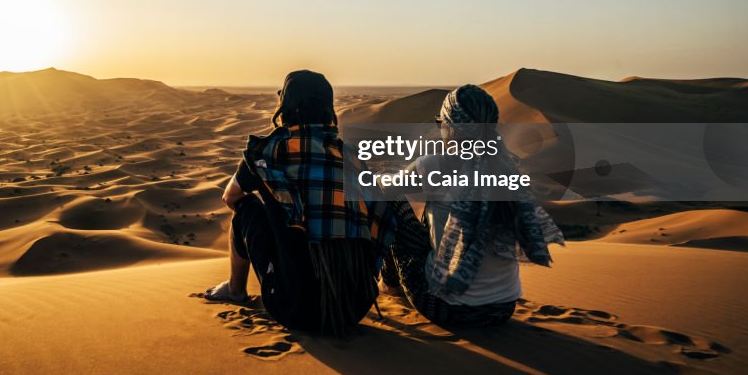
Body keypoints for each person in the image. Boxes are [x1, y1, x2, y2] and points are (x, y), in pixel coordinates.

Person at [203, 69, 396, 334]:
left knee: (246, 209)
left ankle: (235, 289)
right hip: (355, 309)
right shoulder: (351, 157)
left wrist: (280, 204)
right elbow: (381, 215)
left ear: (285, 107)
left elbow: (231, 197)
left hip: (296, 310)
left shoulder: (269, 151)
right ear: (328, 109)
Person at [382, 85, 564, 326]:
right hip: (503, 308)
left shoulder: (436, 164)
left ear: (453, 129)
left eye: (442, 123)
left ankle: (389, 286)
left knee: (392, 201)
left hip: (447, 309)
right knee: (433, 213)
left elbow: (384, 189)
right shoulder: (509, 169)